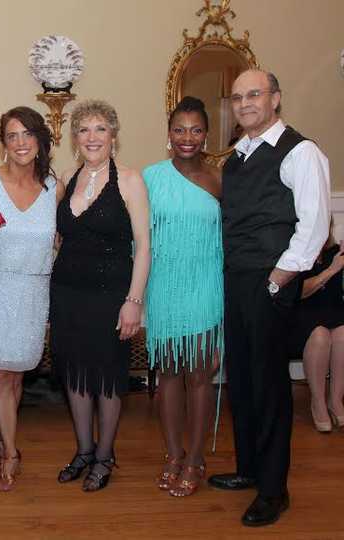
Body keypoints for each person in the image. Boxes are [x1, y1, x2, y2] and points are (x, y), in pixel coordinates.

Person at [210, 69, 330, 527]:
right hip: (237, 279)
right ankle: (249, 469)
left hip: (270, 282)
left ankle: (274, 490)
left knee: (270, 385)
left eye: (254, 94)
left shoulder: (301, 151)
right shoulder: (236, 156)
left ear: (275, 99)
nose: (244, 103)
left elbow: (315, 227)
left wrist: (277, 281)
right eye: (237, 97)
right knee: (240, 379)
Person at [51, 99, 150, 491]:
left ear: (113, 136)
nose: (92, 137)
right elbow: (60, 239)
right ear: (75, 138)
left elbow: (143, 246)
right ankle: (84, 450)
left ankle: (105, 456)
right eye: (84, 129)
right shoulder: (66, 178)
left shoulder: (129, 180)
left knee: (108, 378)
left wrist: (134, 301)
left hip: (112, 296)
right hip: (67, 293)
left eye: (100, 129)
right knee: (75, 375)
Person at [0, 106, 61, 492]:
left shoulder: (55, 188)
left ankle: (2, 431)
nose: (21, 143)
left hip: (31, 291)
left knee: (17, 372)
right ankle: (10, 451)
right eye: (12, 136)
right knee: (1, 375)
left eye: (27, 134)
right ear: (3, 143)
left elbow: (64, 240)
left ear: (40, 140)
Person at [143, 96, 223, 497]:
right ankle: (173, 454)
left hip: (206, 288)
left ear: (207, 135)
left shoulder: (219, 179)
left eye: (195, 130)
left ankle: (196, 458)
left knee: (200, 376)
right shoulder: (150, 178)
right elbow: (138, 239)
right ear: (168, 134)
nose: (187, 138)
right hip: (163, 288)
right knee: (168, 374)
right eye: (179, 129)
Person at [287, 232, 344, 433]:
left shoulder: (336, 252)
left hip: (334, 314)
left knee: (343, 335)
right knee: (320, 336)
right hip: (300, 318)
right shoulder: (297, 254)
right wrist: (331, 271)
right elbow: (297, 292)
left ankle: (335, 400)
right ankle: (317, 402)